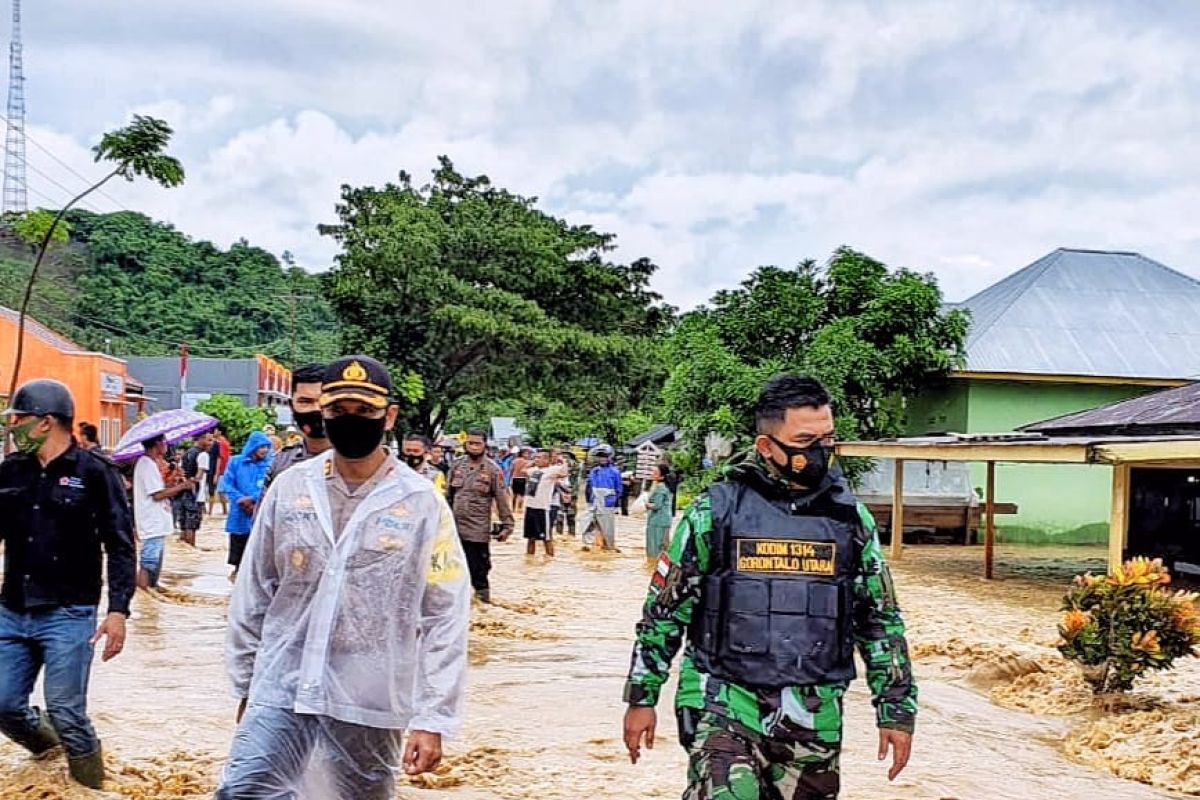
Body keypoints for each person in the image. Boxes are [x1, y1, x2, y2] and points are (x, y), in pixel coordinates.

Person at [622, 375, 917, 799]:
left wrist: (896, 710)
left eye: (828, 439)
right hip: (723, 699)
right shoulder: (715, 511)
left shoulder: (851, 521)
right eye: (805, 440)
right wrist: (641, 696)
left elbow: (879, 621)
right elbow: (664, 612)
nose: (820, 452)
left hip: (814, 710)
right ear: (766, 446)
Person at [218, 355, 470, 799]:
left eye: (364, 412)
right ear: (322, 414)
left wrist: (433, 719)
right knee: (242, 792)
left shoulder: (421, 504)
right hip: (284, 685)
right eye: (337, 411)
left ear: (388, 416)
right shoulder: (292, 488)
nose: (349, 421)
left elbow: (444, 616)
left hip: (369, 698)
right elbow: (254, 591)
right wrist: (246, 685)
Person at [0, 379, 135, 789]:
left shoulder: (94, 473)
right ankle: (48, 754)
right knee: (2, 704)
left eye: (18, 418)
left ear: (46, 423)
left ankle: (88, 791)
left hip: (68, 611)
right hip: (12, 608)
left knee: (66, 711)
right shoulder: (10, 472)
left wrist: (118, 612)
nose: (12, 426)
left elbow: (121, 545)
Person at [447, 428, 514, 604]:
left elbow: (502, 498)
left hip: (478, 529)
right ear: (465, 444)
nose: (474, 447)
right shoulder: (456, 465)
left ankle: (483, 605)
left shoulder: (493, 470)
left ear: (485, 445)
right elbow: (448, 496)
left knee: (479, 571)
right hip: (454, 529)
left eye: (478, 444)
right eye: (471, 443)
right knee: (452, 571)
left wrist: (507, 524)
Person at [134, 435, 197, 589]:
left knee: (154, 562)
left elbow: (160, 489)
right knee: (149, 562)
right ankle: (143, 595)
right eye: (164, 442)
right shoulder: (146, 464)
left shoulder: (151, 464)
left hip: (157, 521)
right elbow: (157, 495)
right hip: (152, 521)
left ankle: (149, 598)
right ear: (157, 444)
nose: (167, 445)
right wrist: (182, 487)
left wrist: (174, 479)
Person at [266, 363, 332, 488]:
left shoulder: (362, 462)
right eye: (305, 402)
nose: (316, 409)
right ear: (291, 406)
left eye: (324, 401)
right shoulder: (279, 464)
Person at [218, 431, 273, 581]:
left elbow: (272, 486)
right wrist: (240, 499)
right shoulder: (235, 462)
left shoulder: (270, 464)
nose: (265, 450)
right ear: (252, 447)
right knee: (239, 547)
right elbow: (226, 484)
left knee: (259, 547)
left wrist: (254, 499)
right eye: (261, 447)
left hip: (260, 510)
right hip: (239, 511)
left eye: (267, 447)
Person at [522, 448, 568, 557]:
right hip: (530, 507)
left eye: (539, 457)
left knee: (546, 538)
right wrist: (532, 462)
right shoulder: (534, 470)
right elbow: (523, 470)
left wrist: (563, 461)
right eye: (535, 457)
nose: (536, 459)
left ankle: (550, 560)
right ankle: (529, 559)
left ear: (547, 460)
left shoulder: (552, 470)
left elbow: (564, 473)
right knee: (530, 538)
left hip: (542, 509)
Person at [177, 431, 213, 547]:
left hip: (182, 492)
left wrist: (185, 481)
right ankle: (191, 549)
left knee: (183, 524)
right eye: (209, 440)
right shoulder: (203, 455)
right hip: (195, 494)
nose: (211, 443)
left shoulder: (187, 453)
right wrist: (192, 480)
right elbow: (199, 476)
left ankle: (185, 553)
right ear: (200, 439)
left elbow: (180, 472)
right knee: (191, 526)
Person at [643, 464, 673, 565]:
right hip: (661, 521)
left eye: (655, 473)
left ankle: (653, 566)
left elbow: (657, 505)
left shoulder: (660, 488)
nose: (652, 474)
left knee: (655, 547)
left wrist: (646, 504)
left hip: (658, 521)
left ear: (661, 477)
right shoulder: (662, 487)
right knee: (663, 546)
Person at [553, 450, 581, 538]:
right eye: (563, 456)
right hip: (558, 493)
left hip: (571, 493)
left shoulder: (575, 467)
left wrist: (564, 462)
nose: (564, 459)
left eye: (566, 457)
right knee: (559, 515)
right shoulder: (556, 467)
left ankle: (571, 534)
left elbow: (574, 470)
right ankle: (559, 534)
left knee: (571, 515)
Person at [208, 427, 231, 516]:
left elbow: (220, 458)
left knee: (220, 491)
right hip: (222, 470)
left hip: (221, 470)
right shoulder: (223, 442)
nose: (214, 432)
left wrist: (216, 473)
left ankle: (224, 510)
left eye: (215, 430)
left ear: (220, 432)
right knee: (220, 491)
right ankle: (224, 511)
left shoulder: (221, 443)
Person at [510, 448, 531, 515]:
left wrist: (510, 478)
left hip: (515, 478)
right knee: (522, 495)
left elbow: (511, 470)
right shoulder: (527, 462)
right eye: (526, 453)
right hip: (522, 478)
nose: (528, 455)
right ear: (522, 454)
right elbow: (527, 472)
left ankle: (513, 509)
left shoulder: (515, 461)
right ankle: (519, 509)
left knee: (514, 495)